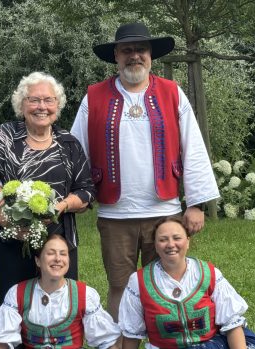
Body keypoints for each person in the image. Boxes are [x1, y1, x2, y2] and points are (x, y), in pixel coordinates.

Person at [70, 22, 220, 320]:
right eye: (127, 50)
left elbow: (193, 147)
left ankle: (163, 340)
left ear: (151, 55)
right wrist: (78, 194)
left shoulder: (172, 93)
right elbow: (76, 150)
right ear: (116, 55)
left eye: (141, 50)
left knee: (164, 284)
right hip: (115, 215)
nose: (134, 56)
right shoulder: (94, 97)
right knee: (119, 287)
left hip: (164, 211)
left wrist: (196, 203)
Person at [0, 71, 95, 313]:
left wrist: (61, 206)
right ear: (22, 104)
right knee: (12, 305)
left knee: (59, 307)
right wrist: (7, 222)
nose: (42, 107)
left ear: (57, 105)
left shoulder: (68, 143)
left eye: (49, 100)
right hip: (11, 241)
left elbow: (86, 190)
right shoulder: (4, 138)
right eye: (34, 100)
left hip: (59, 241)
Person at [118, 216, 255, 349]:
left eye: (177, 238)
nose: (171, 244)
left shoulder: (209, 274)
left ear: (188, 242)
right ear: (156, 246)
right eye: (163, 239)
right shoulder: (138, 282)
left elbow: (231, 323)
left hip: (213, 344)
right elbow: (132, 333)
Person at [0, 234, 121, 349]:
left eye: (63, 254)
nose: (58, 259)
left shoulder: (85, 295)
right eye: (51, 253)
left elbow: (106, 342)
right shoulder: (17, 293)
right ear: (38, 260)